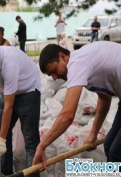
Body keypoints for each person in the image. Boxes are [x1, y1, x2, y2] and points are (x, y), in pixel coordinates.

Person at [33, 41, 121, 169]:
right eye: (51, 75)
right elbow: (104, 99)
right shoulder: (83, 62)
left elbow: (67, 115)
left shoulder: (77, 64)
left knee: (116, 152)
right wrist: (93, 134)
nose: (55, 77)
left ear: (62, 57)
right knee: (108, 145)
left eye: (54, 71)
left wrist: (41, 146)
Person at [0, 34, 41, 177]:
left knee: (30, 139)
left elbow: (9, 106)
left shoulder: (9, 63)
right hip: (8, 91)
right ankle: (6, 174)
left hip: (28, 90)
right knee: (1, 134)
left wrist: (1, 141)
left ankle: (32, 175)